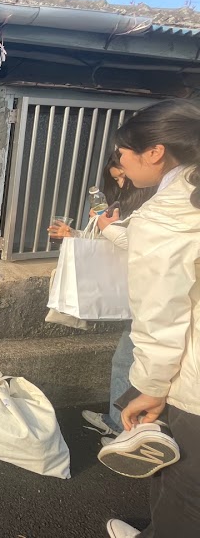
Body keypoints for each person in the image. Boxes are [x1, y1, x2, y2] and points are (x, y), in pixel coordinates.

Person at [94, 100, 200, 538]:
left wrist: (151, 388)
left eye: (122, 153)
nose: (119, 163)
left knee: (186, 492)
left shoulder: (168, 215)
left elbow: (162, 316)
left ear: (155, 152)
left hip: (194, 382)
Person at [80, 155, 157, 439]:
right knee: (129, 361)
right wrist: (86, 229)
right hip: (140, 295)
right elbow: (115, 248)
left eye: (123, 174)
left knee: (127, 362)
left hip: (153, 298)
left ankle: (122, 429)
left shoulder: (156, 202)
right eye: (116, 178)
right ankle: (122, 423)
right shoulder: (134, 202)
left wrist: (106, 228)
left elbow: (136, 245)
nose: (123, 182)